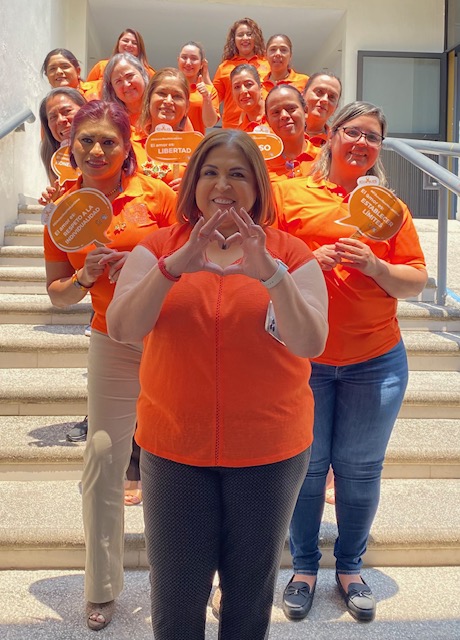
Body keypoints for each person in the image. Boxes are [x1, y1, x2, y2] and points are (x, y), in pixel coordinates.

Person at [106, 128, 329, 640]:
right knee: (176, 595)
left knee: (249, 595)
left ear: (258, 186)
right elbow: (122, 328)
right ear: (193, 183)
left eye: (237, 174)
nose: (222, 185)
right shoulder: (158, 248)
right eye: (210, 172)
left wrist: (270, 274)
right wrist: (174, 267)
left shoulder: (292, 253)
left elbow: (310, 342)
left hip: (269, 450)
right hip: (175, 447)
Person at [273, 101, 428, 623]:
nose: (362, 143)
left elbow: (415, 280)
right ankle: (303, 569)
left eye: (373, 137)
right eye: (353, 132)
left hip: (375, 360)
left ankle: (350, 568)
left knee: (360, 471)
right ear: (331, 135)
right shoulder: (289, 193)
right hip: (305, 359)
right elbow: (260, 259)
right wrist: (305, 261)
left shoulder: (387, 207)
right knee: (308, 468)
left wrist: (376, 265)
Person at [43, 100, 176, 631]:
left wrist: (146, 264)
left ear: (127, 147)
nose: (96, 150)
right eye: (86, 140)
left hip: (172, 336)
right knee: (102, 457)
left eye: (108, 141)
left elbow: (197, 259)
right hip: (111, 338)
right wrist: (83, 277)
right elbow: (56, 294)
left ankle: (197, 577)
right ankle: (101, 586)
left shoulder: (158, 196)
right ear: (69, 146)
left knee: (185, 461)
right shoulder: (63, 210)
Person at [134, 67, 193, 190]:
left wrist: (193, 187)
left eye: (177, 96)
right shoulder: (128, 143)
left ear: (187, 106)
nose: (168, 101)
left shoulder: (195, 150)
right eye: (162, 93)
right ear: (148, 99)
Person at [213, 17, 269, 129]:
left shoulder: (268, 64)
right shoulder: (224, 67)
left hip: (263, 126)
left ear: (256, 37)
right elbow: (214, 99)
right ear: (234, 40)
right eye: (240, 35)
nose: (245, 38)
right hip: (232, 128)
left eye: (249, 34)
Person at [264, 85, 315, 181]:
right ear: (268, 120)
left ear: (305, 111)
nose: (284, 115)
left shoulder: (326, 159)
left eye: (291, 108)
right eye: (276, 112)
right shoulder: (259, 166)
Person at [177, 41, 220, 134]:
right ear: (178, 60)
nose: (188, 63)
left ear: (202, 64)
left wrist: (206, 98)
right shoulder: (169, 86)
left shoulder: (209, 91)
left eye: (194, 58)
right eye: (184, 57)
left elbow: (210, 123)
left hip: (196, 142)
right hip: (169, 141)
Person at [86, 28, 155, 82]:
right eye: (125, 41)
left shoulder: (149, 72)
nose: (129, 45)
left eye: (134, 43)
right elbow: (86, 90)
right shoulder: (101, 66)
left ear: (140, 48)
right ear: (118, 43)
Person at [102, 53, 149, 130]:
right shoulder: (109, 121)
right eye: (118, 81)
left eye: (130, 76)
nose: (126, 85)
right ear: (112, 89)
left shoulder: (159, 111)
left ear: (142, 74)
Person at [303, 72, 342, 150]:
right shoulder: (281, 131)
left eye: (331, 97)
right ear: (303, 94)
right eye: (319, 92)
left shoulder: (336, 144)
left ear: (336, 107)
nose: (325, 100)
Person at [230, 64, 267, 132]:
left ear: (261, 87)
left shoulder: (277, 118)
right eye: (237, 87)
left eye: (249, 84)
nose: (243, 91)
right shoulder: (240, 132)